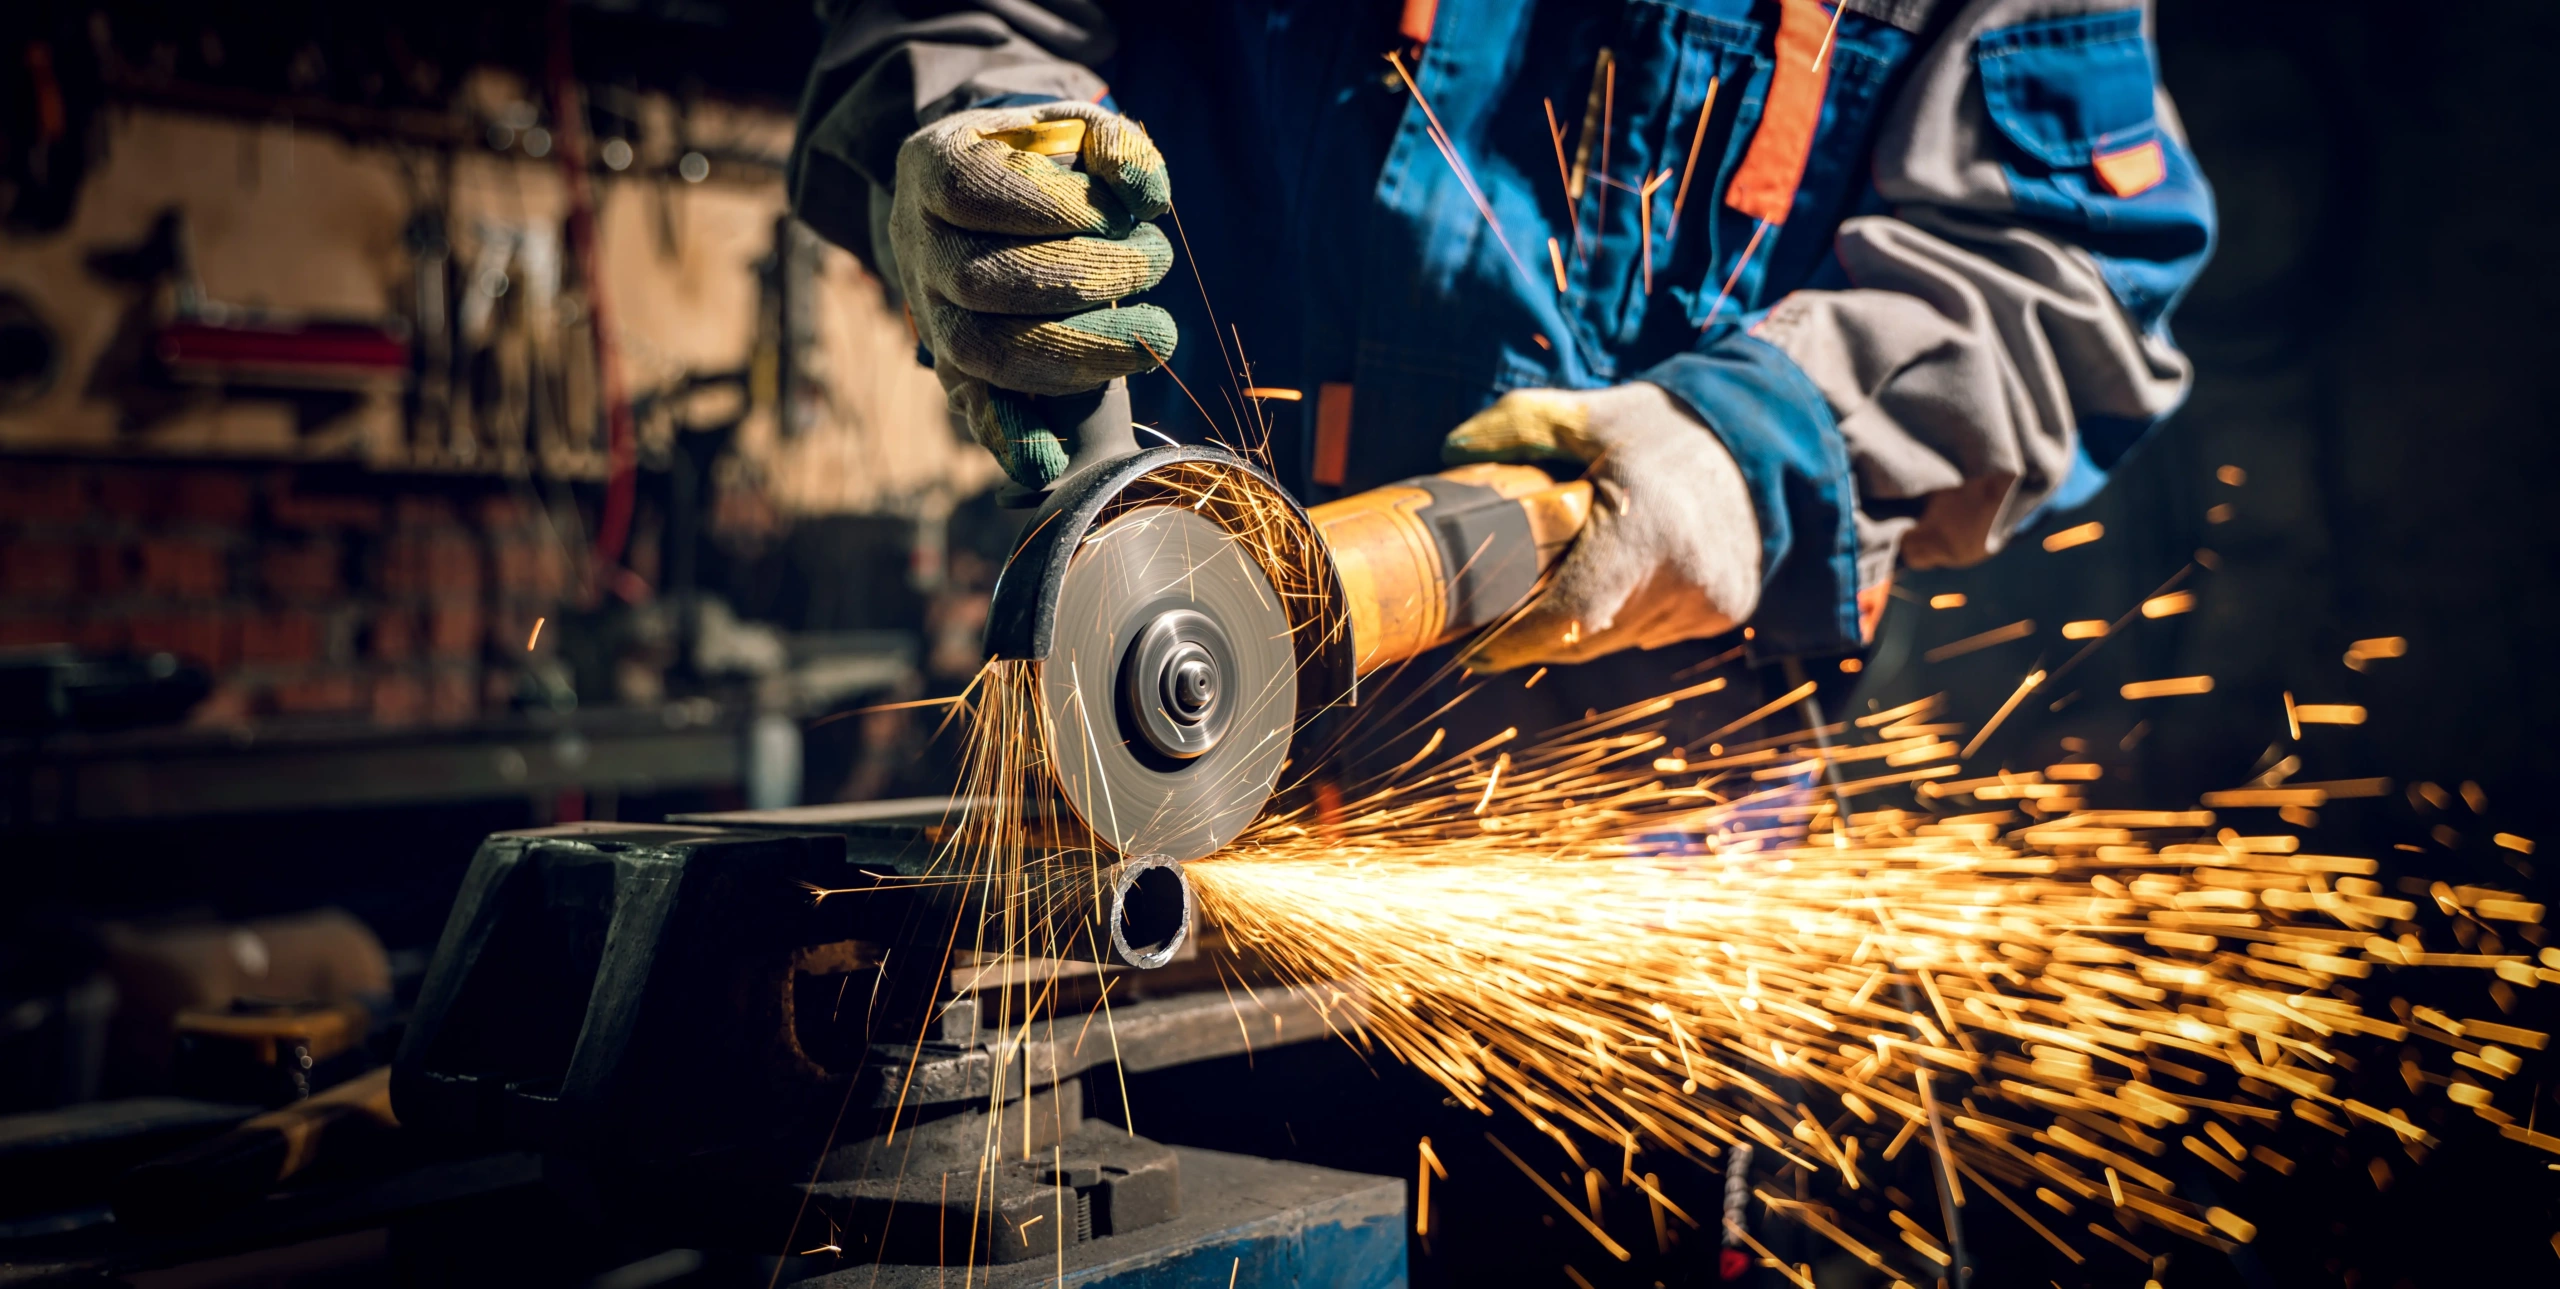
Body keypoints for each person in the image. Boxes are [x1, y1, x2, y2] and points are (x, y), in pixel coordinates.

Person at [789, 0, 2213, 674]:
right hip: (1140, 703)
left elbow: (2065, 260)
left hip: (1655, 840)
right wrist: (967, 134)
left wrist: (1761, 437)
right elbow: (959, 23)